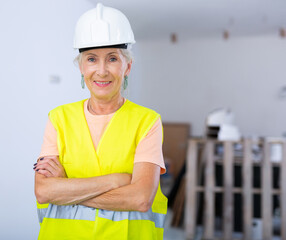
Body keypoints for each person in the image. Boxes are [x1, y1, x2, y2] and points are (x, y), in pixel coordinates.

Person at [34, 3, 168, 240]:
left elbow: (140, 198)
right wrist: (116, 181)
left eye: (113, 58)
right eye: (92, 59)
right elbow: (44, 191)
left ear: (127, 66)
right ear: (81, 67)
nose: (102, 71)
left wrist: (66, 187)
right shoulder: (58, 118)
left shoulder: (147, 122)